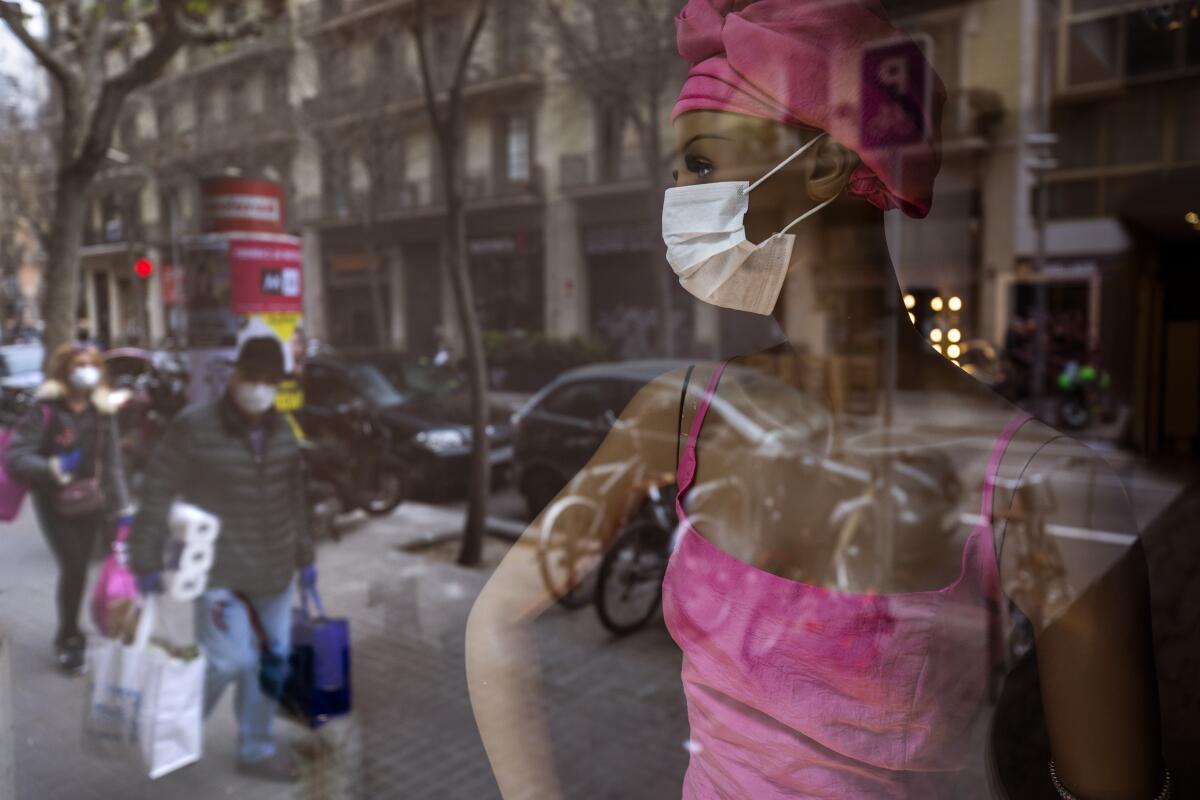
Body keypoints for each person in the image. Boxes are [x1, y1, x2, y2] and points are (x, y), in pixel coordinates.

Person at [465, 2, 1164, 798]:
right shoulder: (682, 414)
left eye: (697, 167)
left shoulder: (1043, 491)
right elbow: (495, 617)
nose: (674, 201)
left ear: (826, 166)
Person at [129, 335, 315, 782]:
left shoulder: (284, 432)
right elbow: (156, 489)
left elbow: (295, 500)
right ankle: (174, 727)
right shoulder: (194, 426)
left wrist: (305, 560)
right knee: (230, 661)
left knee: (273, 662)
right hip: (217, 571)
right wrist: (145, 558)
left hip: (273, 572)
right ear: (234, 375)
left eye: (269, 380)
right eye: (251, 377)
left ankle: (256, 748)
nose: (258, 387)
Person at [4, 343, 130, 674]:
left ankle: (78, 627)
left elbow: (113, 464)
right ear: (64, 370)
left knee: (83, 568)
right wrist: (51, 468)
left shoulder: (103, 412)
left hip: (91, 500)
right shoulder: (45, 410)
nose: (85, 370)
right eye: (78, 364)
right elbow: (16, 455)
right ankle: (69, 637)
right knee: (73, 566)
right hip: (53, 502)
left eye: (91, 364)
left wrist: (123, 509)